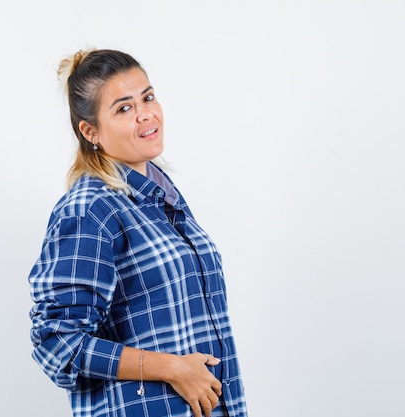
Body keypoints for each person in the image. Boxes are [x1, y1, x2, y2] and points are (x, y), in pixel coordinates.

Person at [28, 48, 248, 417]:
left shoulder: (161, 198)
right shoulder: (91, 209)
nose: (146, 113)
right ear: (90, 131)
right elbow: (57, 342)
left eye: (147, 97)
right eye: (124, 108)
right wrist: (171, 368)